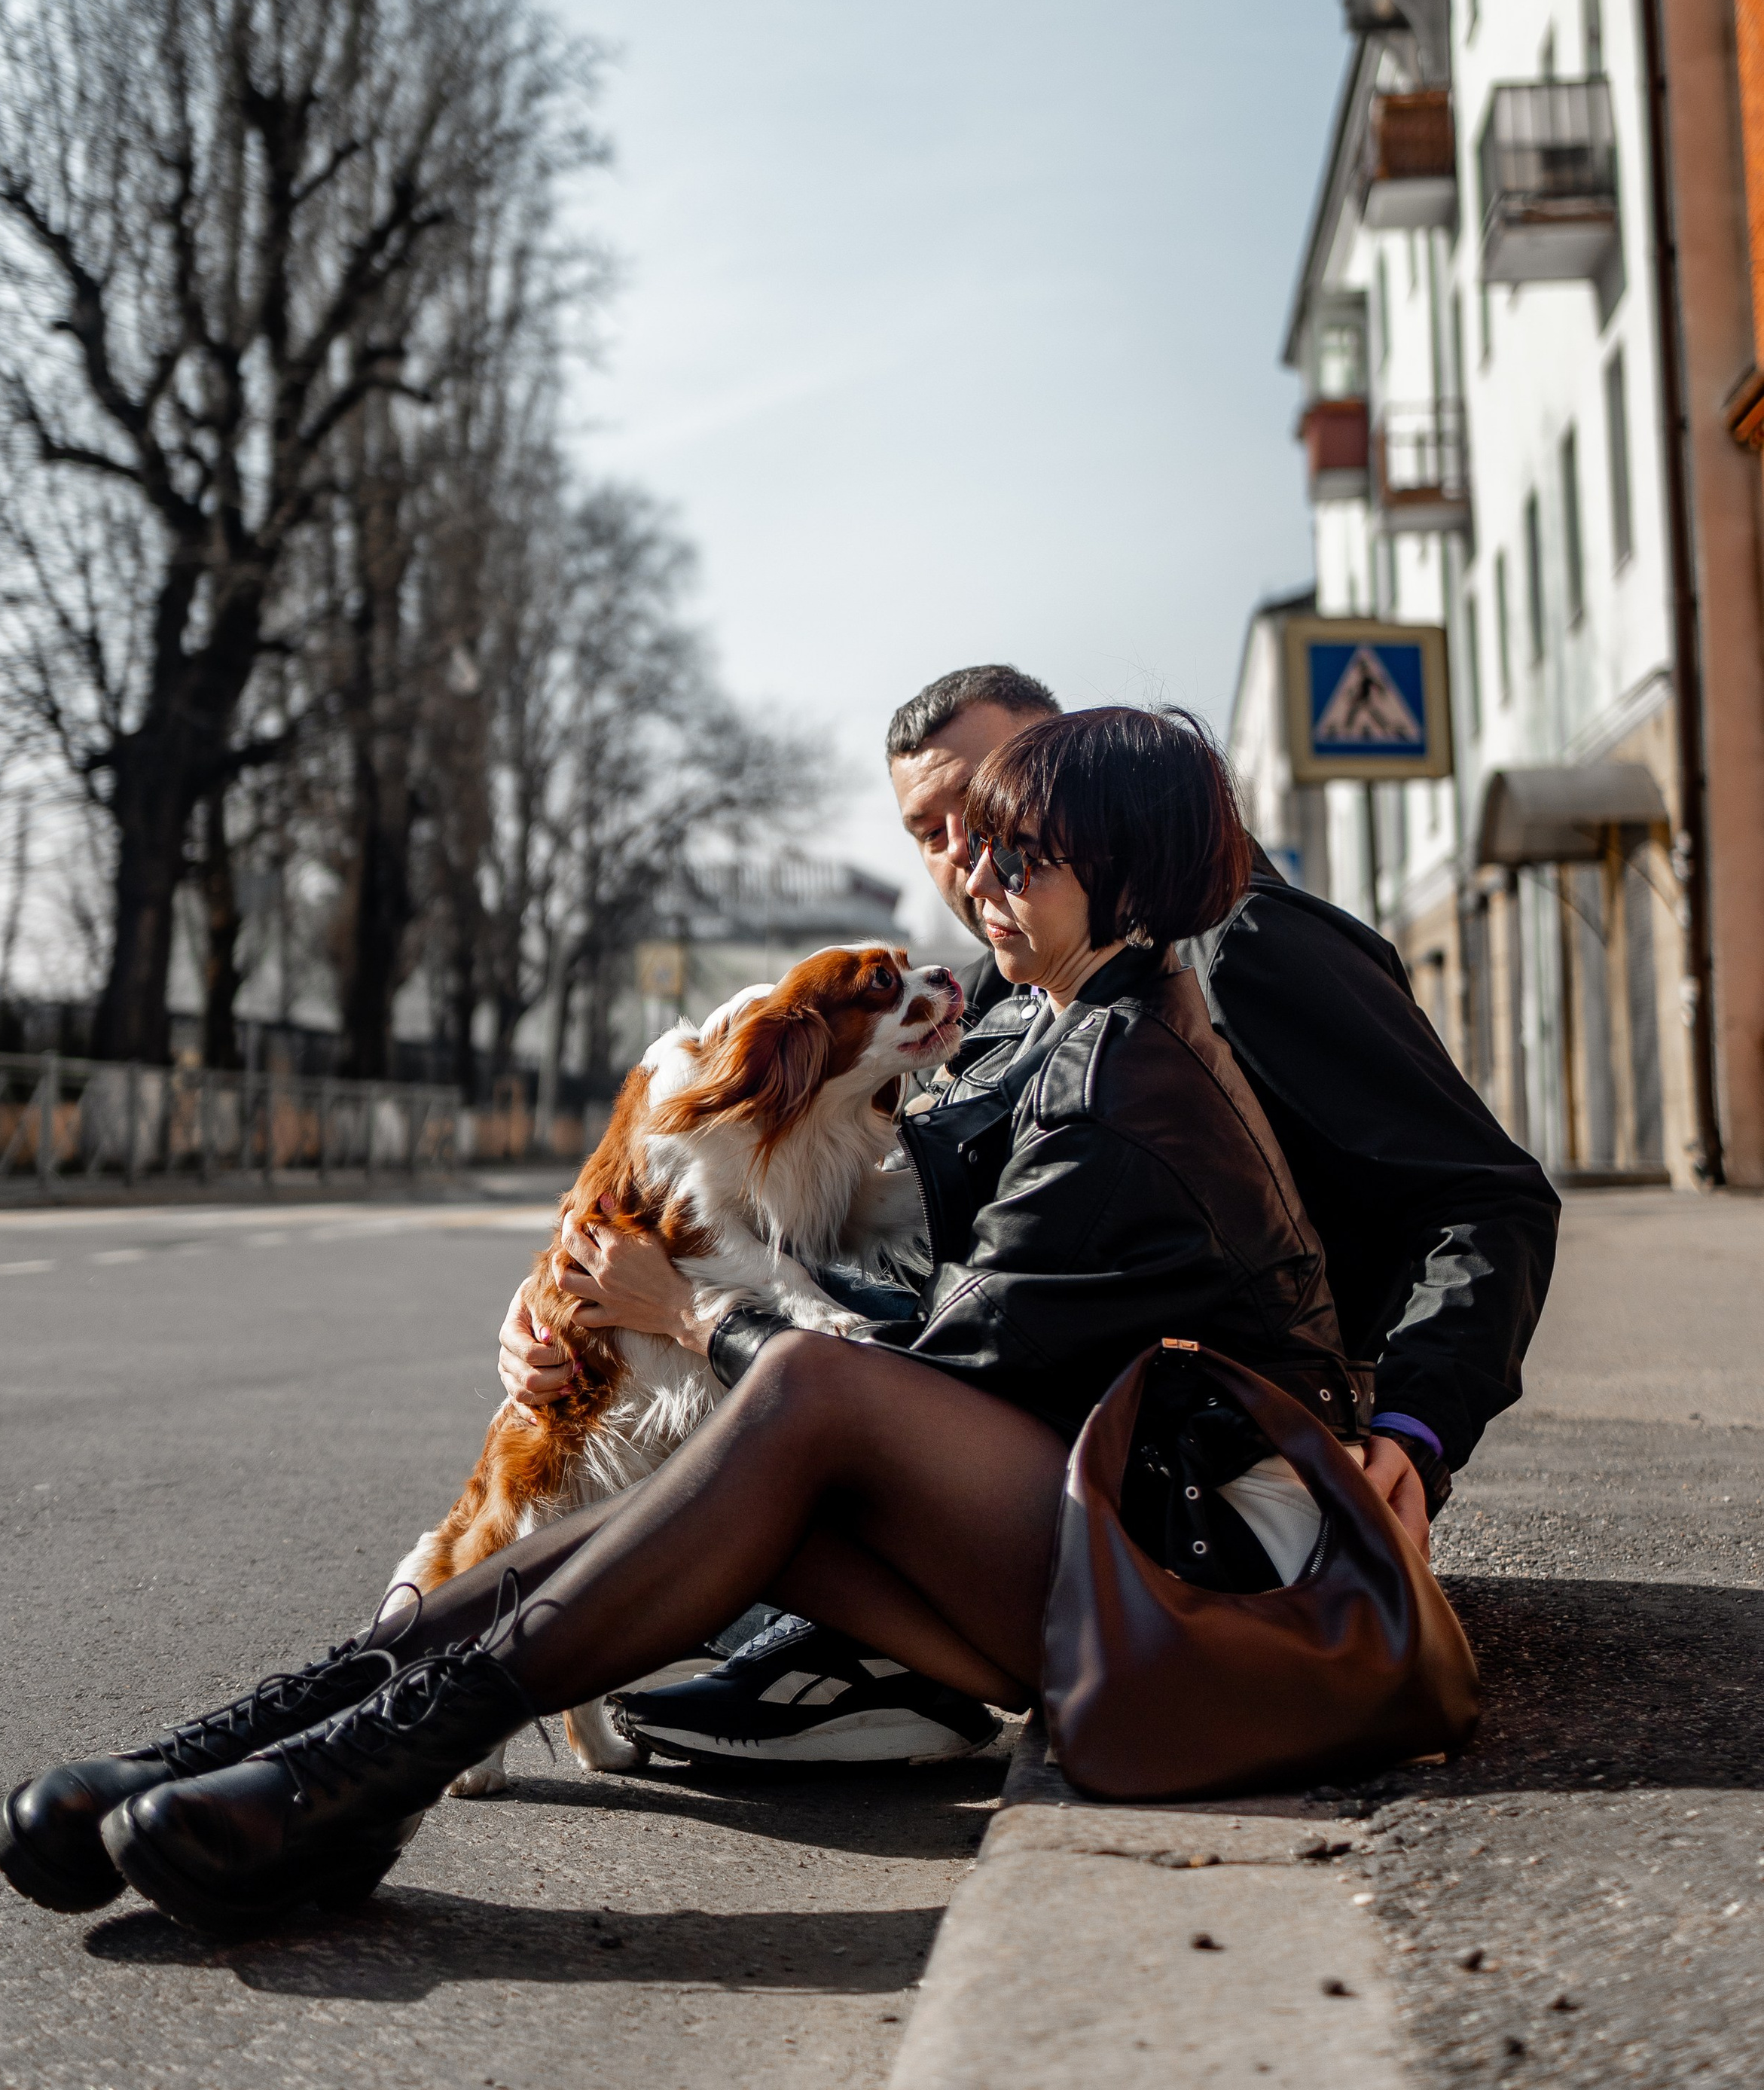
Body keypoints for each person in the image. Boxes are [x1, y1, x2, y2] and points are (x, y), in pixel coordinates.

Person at [0, 709, 1375, 1940]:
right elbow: (835, 1217)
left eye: (1024, 857)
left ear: (1124, 873)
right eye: (981, 851)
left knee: (802, 1403)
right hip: (1140, 1543)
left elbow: (923, 1377)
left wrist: (691, 1312)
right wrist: (581, 1273)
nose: (980, 880)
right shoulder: (1073, 1029)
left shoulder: (1120, 1089)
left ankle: (348, 1767)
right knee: (751, 1460)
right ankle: (306, 1735)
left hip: (1230, 1603)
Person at [602, 659, 1559, 1765]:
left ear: (1074, 790)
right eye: (931, 831)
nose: (966, 855)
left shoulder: (1242, 949)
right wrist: (590, 1305)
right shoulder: (1005, 988)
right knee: (697, 1468)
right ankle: (845, 1646)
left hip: (1231, 1466)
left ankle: (869, 1655)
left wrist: (1415, 1431)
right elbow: (883, 1228)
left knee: (751, 1469)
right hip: (1064, 1407)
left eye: (993, 813)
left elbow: (1486, 1201)